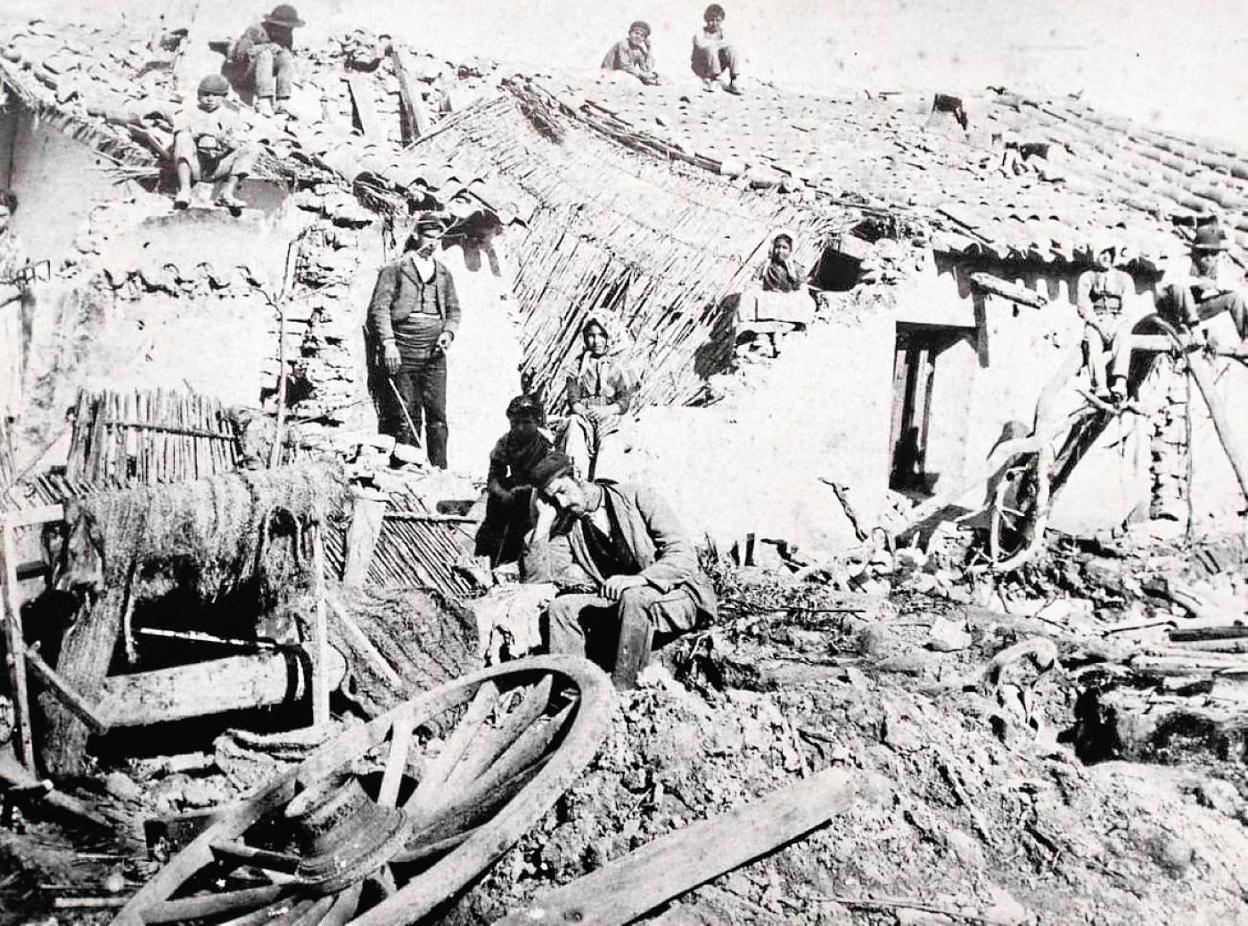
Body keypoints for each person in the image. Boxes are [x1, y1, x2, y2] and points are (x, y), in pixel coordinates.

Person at [532, 452, 717, 689]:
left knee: (633, 598)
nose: (562, 503)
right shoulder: (570, 527)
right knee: (561, 608)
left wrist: (639, 580)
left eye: (562, 491)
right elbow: (539, 579)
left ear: (578, 476)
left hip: (677, 594)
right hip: (621, 605)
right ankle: (575, 692)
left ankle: (623, 690)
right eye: (553, 499)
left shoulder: (637, 496)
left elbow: (683, 555)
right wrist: (543, 523)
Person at [367, 213, 460, 468]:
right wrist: (388, 343)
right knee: (406, 414)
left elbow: (454, 310)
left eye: (437, 238)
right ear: (417, 235)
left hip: (434, 353)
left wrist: (448, 333)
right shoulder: (397, 269)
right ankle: (409, 467)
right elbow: (379, 308)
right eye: (428, 237)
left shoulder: (443, 273)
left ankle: (439, 469)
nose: (432, 243)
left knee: (437, 415)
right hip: (404, 350)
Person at [475, 395, 554, 567]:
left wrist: (524, 491)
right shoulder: (506, 442)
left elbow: (549, 481)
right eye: (515, 423)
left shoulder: (546, 447)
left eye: (526, 422)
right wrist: (501, 493)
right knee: (494, 506)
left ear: (537, 422)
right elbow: (494, 476)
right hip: (513, 492)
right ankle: (487, 556)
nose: (520, 428)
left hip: (536, 495)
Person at [169, 75, 262, 212]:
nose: (210, 98)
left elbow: (239, 138)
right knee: (182, 137)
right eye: (206, 94)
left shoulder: (231, 116)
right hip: (195, 164)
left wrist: (228, 145)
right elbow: (179, 134)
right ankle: (185, 190)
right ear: (198, 95)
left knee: (252, 147)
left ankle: (226, 193)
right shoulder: (187, 113)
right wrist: (200, 135)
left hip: (218, 165)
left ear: (224, 97)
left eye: (216, 95)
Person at [560, 316, 634, 480]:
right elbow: (573, 396)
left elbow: (624, 400)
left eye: (602, 335)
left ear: (610, 336)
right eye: (591, 336)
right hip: (585, 413)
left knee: (611, 438)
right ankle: (577, 476)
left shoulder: (619, 365)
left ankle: (604, 483)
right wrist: (581, 410)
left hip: (610, 413)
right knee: (574, 428)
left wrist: (607, 410)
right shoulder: (578, 365)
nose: (597, 341)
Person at [1161, 223, 1247, 350]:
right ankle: (1194, 330)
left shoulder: (1217, 266)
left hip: (1196, 309)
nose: (1208, 258)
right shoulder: (1185, 261)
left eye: (1213, 253)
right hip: (1174, 311)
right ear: (1194, 252)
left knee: (1235, 297)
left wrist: (1216, 285)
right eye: (1204, 253)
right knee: (1180, 286)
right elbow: (1167, 281)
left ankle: (1246, 339)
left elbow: (1232, 286)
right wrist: (1197, 282)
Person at [1074, 242, 1136, 398]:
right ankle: (1099, 386)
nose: (1106, 256)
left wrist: (1115, 325)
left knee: (1124, 338)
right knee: (1093, 341)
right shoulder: (1087, 277)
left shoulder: (1124, 278)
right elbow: (1083, 306)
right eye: (1102, 252)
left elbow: (1128, 307)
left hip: (1117, 320)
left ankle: (1120, 382)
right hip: (1097, 321)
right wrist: (1098, 325)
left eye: (1109, 253)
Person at [228, 4, 305, 115]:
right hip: (245, 75)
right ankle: (264, 100)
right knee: (266, 55)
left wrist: (280, 49)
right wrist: (265, 47)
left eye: (288, 28)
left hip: (266, 74)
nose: (285, 30)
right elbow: (240, 54)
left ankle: (282, 100)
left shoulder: (287, 34)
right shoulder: (256, 30)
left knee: (286, 55)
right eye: (281, 27)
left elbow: (286, 54)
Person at [0, 190, 33, 423]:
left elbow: (21, 284)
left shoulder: (16, 244)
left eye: (2, 216)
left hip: (5, 308)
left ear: (10, 216)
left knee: (4, 358)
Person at [691, 4, 742, 95]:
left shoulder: (723, 33)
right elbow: (701, 45)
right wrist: (718, 45)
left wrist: (718, 45)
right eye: (711, 20)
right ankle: (713, 80)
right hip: (702, 65)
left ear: (722, 20)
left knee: (731, 50)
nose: (714, 23)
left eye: (717, 20)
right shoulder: (700, 32)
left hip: (718, 63)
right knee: (710, 49)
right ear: (706, 20)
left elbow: (729, 43)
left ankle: (734, 80)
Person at [601, 21, 659, 85]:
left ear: (644, 39)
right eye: (636, 33)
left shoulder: (639, 50)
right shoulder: (623, 43)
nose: (638, 36)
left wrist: (649, 49)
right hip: (609, 73)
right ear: (630, 33)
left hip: (623, 75)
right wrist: (641, 74)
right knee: (634, 81)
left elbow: (646, 69)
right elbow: (624, 66)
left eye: (642, 36)